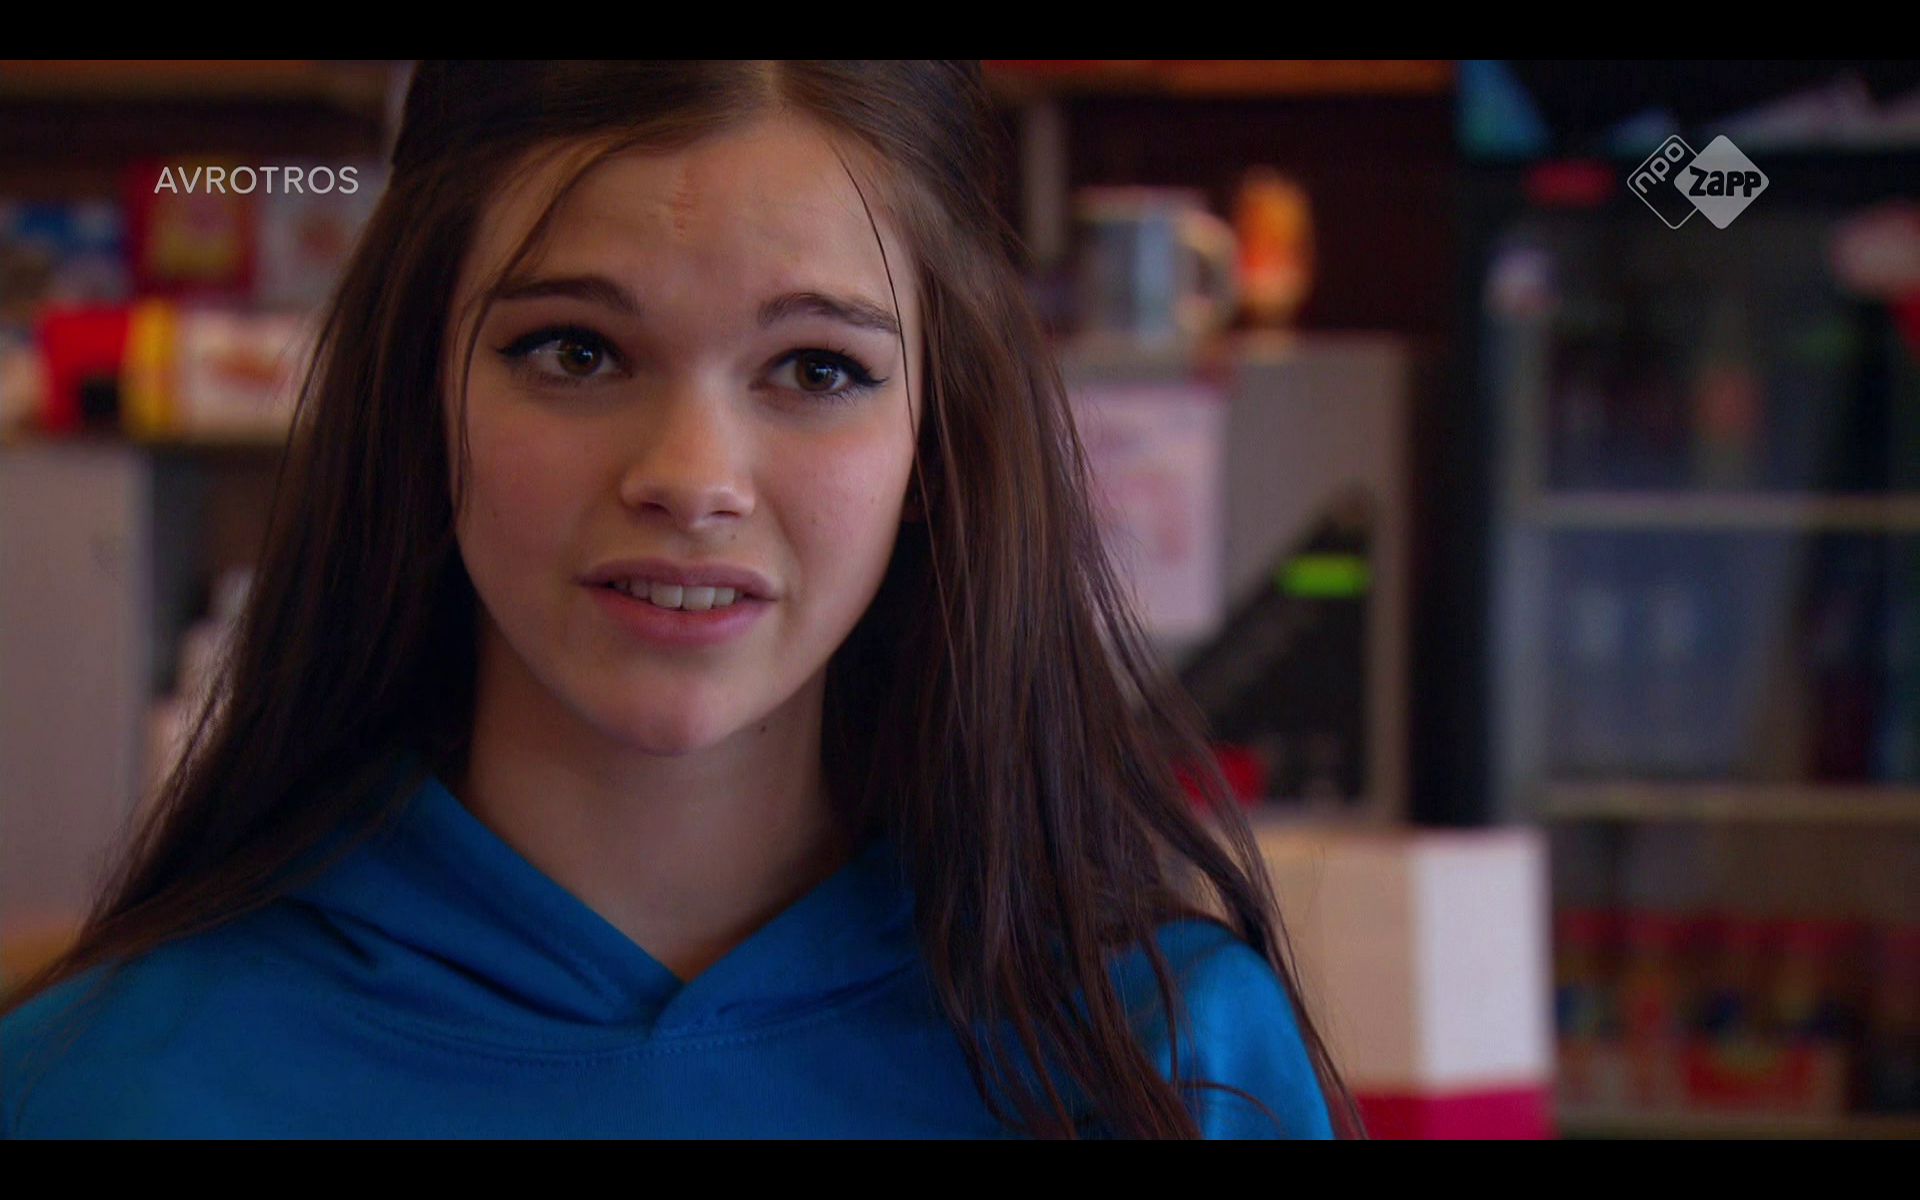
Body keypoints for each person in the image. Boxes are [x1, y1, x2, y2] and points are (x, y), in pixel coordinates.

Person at [1, 61, 1364, 1139]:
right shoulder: (102, 1088)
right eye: (576, 352)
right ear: (420, 394)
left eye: (817, 369)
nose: (691, 478)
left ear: (938, 440)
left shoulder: (1172, 1069)